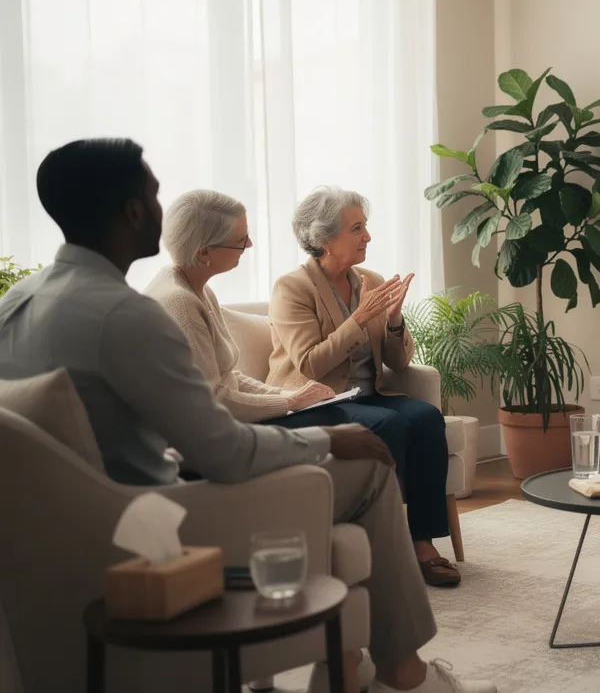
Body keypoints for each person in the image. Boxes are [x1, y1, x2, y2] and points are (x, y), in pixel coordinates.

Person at [0, 139, 493, 693]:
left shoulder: (15, 303)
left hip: (79, 530)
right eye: (155, 195)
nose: (165, 215)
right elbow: (224, 451)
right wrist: (329, 439)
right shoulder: (132, 315)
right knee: (372, 468)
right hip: (156, 524)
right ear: (135, 211)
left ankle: (347, 665)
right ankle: (405, 676)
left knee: (395, 427)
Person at [267, 187, 458, 587]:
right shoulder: (292, 288)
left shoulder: (368, 281)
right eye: (357, 229)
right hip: (312, 403)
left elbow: (397, 361)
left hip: (367, 397)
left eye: (365, 227)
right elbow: (310, 364)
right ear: (323, 239)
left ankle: (421, 541)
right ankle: (380, 546)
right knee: (390, 426)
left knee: (424, 418)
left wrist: (393, 318)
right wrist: (358, 319)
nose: (367, 237)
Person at [145, 190, 342, 426]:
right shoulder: (180, 302)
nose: (249, 244)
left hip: (222, 421)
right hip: (201, 434)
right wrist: (290, 403)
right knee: (346, 423)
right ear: (204, 252)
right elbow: (214, 400)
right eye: (240, 241)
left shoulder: (198, 287)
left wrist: (289, 396)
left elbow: (227, 377)